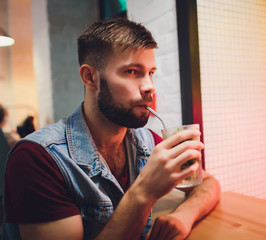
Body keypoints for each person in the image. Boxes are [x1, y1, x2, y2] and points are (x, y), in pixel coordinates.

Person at [2, 17, 220, 240]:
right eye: (132, 71)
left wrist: (183, 215)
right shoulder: (36, 158)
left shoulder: (146, 141)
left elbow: (207, 184)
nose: (149, 87)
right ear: (90, 77)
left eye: (151, 73)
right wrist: (143, 193)